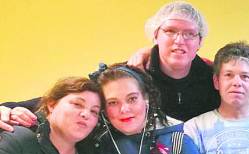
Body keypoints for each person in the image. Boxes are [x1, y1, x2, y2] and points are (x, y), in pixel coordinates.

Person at [0, 1, 218, 129]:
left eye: (190, 34)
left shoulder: (215, 80)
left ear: (200, 42)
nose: (179, 40)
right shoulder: (128, 75)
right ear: (155, 35)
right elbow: (72, 98)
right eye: (170, 31)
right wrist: (7, 108)